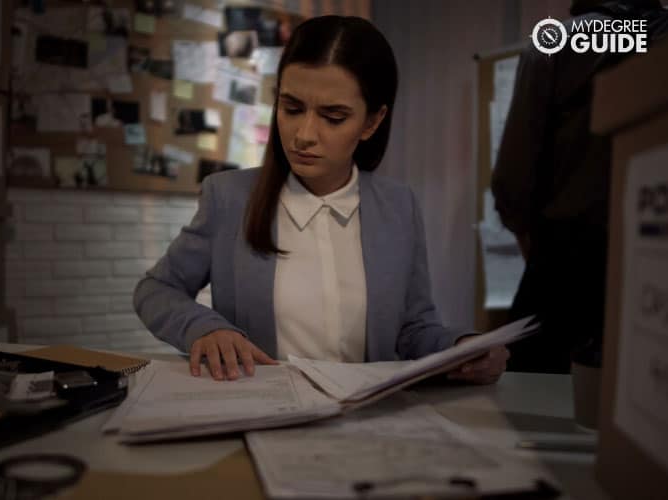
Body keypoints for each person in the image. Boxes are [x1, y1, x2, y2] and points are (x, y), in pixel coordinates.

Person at [134, 15, 509, 384]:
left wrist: (462, 347)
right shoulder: (228, 198)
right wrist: (205, 328)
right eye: (291, 108)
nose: (304, 135)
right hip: (263, 416)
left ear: (372, 122)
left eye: (333, 116)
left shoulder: (398, 206)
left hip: (364, 424)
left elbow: (413, 329)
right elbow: (156, 290)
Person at [491, 0, 668, 373]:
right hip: (652, 254)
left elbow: (513, 181)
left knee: (531, 413)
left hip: (565, 267)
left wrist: (535, 242)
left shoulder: (558, 42)